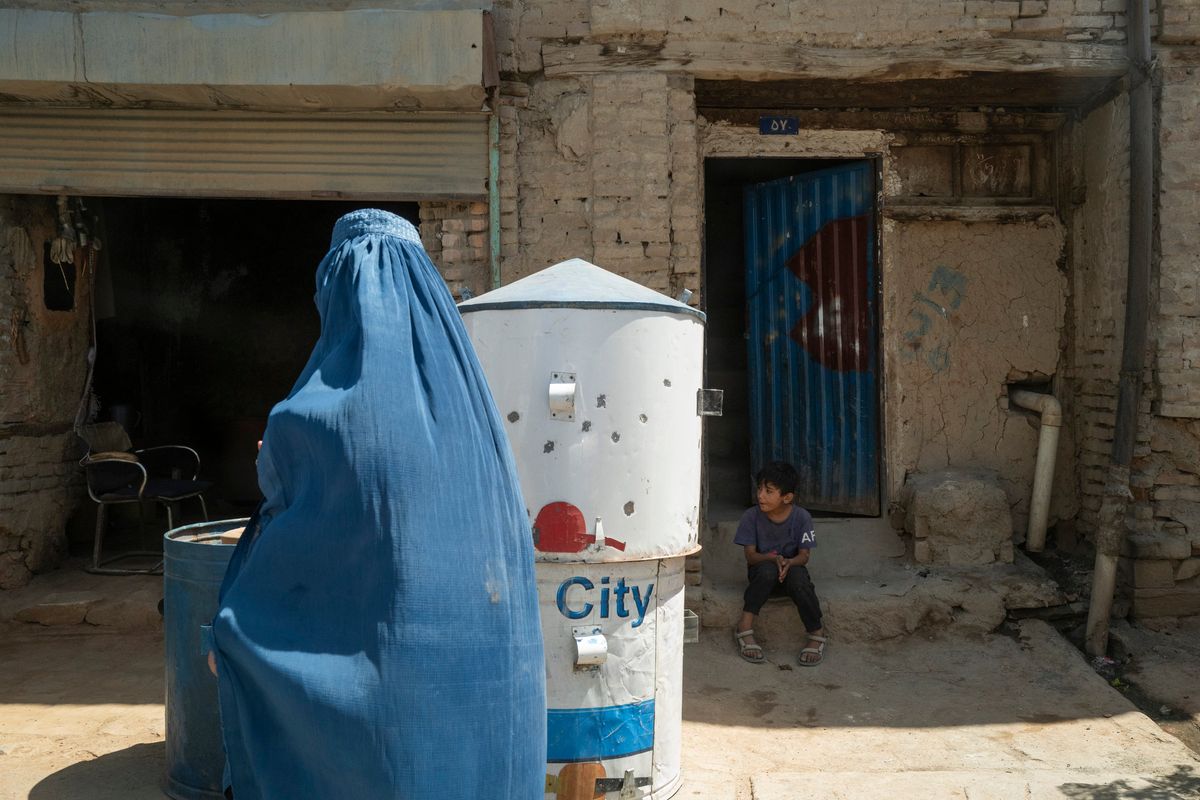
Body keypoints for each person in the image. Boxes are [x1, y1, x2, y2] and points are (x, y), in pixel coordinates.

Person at [207, 209, 546, 799]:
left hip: (383, 680)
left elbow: (297, 531)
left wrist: (231, 641)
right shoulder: (472, 404)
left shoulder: (320, 409)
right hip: (487, 681)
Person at [732, 461, 827, 667]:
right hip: (762, 575)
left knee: (799, 576)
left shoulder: (802, 517)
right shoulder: (751, 517)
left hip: (790, 574)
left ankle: (816, 632)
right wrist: (771, 559)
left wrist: (789, 562)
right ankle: (744, 627)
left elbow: (804, 556)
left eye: (769, 491)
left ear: (787, 497)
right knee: (766, 571)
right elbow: (750, 556)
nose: (760, 495)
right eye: (759, 489)